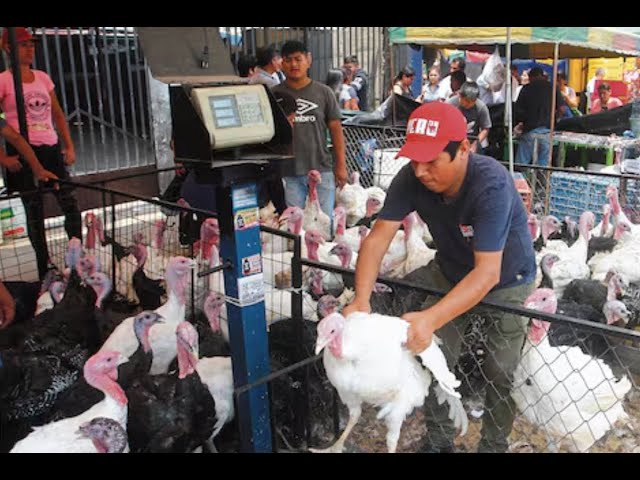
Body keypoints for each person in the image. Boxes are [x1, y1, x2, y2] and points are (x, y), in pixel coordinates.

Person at [342, 101, 536, 453]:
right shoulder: (412, 178)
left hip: (507, 278)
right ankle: (439, 440)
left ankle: (494, 443)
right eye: (415, 160)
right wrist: (361, 299)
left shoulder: (491, 184)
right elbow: (378, 238)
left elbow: (488, 272)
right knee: (431, 355)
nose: (420, 171)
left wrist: (430, 318)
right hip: (451, 269)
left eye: (431, 161)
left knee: (499, 370)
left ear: (463, 149)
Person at [0, 27, 82, 280]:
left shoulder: (42, 78)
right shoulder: (3, 80)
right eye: (23, 45)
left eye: (32, 44)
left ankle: (76, 260)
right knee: (34, 212)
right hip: (23, 151)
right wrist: (3, 158)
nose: (30, 49)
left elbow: (57, 112)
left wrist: (68, 145)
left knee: (69, 204)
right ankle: (43, 266)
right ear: (8, 48)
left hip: (50, 147)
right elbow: (5, 128)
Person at [272, 40, 347, 221]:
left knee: (324, 225)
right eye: (288, 60)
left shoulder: (324, 92)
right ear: (282, 63)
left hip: (322, 170)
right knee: (296, 228)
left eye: (298, 59)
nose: (294, 64)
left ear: (309, 60)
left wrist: (341, 166)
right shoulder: (273, 95)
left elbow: (336, 130)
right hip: (289, 172)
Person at [514, 67, 563, 166]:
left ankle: (520, 181)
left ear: (531, 77)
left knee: (521, 164)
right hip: (547, 131)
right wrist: (555, 120)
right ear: (542, 75)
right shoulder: (553, 88)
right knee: (543, 165)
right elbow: (562, 109)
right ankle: (540, 181)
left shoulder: (526, 88)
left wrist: (521, 122)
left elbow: (518, 111)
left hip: (530, 130)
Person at [447, 81, 491, 154]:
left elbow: (485, 128)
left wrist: (475, 143)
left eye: (472, 101)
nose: (469, 104)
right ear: (460, 95)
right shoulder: (450, 104)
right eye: (466, 101)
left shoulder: (481, 107)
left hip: (471, 141)